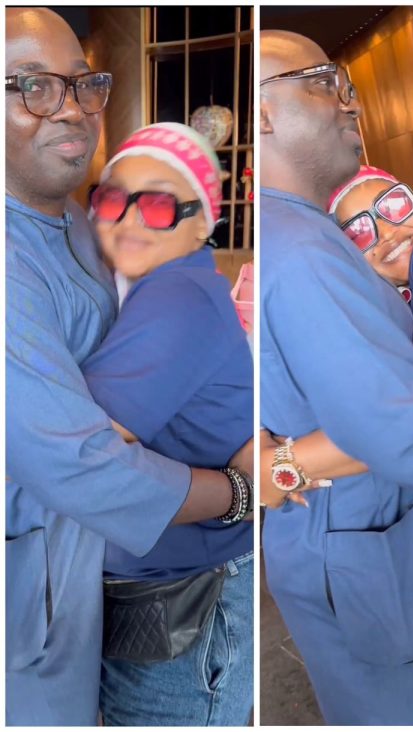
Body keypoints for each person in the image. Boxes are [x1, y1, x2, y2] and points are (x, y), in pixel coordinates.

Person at [6, 10, 253, 725]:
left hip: (136, 578)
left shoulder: (81, 226)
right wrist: (239, 492)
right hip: (41, 583)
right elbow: (81, 461)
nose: (70, 108)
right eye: (31, 85)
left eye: (82, 84)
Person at [260, 30, 413, 725]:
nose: (351, 99)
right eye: (324, 82)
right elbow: (402, 424)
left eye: (395, 206)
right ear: (263, 114)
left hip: (385, 553)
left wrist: (280, 465)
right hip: (391, 571)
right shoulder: (304, 252)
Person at [80, 123, 254, 726]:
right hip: (170, 581)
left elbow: (82, 440)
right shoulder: (139, 289)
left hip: (186, 598)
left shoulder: (177, 296)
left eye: (157, 204)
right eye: (111, 199)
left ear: (204, 223)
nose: (129, 219)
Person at [262, 166, 413, 554]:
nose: (387, 232)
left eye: (394, 205)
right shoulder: (393, 314)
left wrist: (283, 466)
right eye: (359, 232)